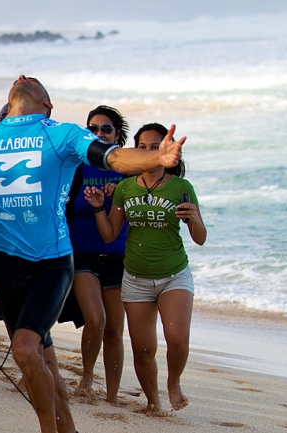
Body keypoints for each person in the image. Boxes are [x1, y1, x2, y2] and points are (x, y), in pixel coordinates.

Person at [0, 75, 185, 433]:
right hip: (5, 265)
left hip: (51, 263)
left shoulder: (61, 134)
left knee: (23, 349)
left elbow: (112, 157)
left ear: (48, 104)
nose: (23, 78)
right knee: (41, 358)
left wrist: (155, 157)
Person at [83, 122, 206, 414]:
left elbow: (200, 238)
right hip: (136, 278)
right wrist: (100, 207)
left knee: (177, 341)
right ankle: (153, 401)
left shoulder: (181, 187)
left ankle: (173, 381)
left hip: (174, 274)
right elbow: (111, 234)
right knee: (143, 349)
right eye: (143, 147)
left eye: (155, 146)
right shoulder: (125, 188)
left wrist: (195, 218)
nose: (149, 152)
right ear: (135, 151)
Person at [66, 105, 129, 403]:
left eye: (106, 129)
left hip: (119, 257)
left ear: (118, 135)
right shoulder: (77, 168)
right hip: (82, 255)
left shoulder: (129, 172)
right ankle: (87, 376)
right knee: (96, 320)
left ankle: (113, 394)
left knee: (115, 330)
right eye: (93, 128)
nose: (99, 133)